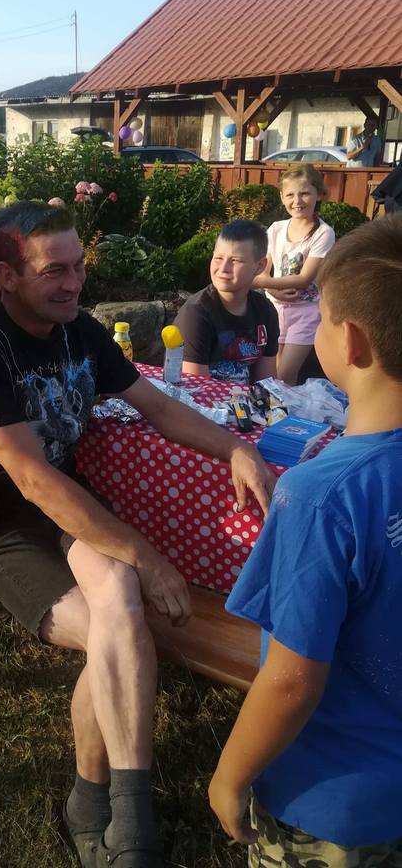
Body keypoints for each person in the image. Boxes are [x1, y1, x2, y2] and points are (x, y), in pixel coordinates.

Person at [0, 201, 276, 868]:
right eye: (54, 271)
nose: (73, 284)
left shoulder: (79, 331)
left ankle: (112, 810)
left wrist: (237, 448)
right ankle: (118, 812)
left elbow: (157, 407)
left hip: (72, 512)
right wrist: (147, 555)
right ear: (7, 275)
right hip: (2, 528)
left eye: (79, 267)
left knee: (119, 607)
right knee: (115, 630)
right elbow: (33, 482)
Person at [209, 215, 402, 866]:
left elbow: (291, 681)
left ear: (351, 341)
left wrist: (230, 776)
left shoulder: (318, 496)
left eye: (321, 317)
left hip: (328, 801)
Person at [252, 165, 335, 385]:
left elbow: (304, 278)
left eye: (305, 193)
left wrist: (265, 282)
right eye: (290, 195)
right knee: (271, 372)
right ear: (282, 197)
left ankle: (288, 408)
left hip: (306, 312)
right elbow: (262, 269)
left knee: (286, 374)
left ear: (319, 194)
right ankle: (274, 407)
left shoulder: (323, 233)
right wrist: (271, 289)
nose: (297, 201)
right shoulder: (276, 229)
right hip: (275, 309)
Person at [174, 219, 279, 385]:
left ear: (260, 266)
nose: (223, 269)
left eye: (235, 260)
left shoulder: (265, 311)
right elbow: (196, 388)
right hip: (202, 398)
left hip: (246, 399)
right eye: (218, 258)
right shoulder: (195, 314)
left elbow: (267, 383)